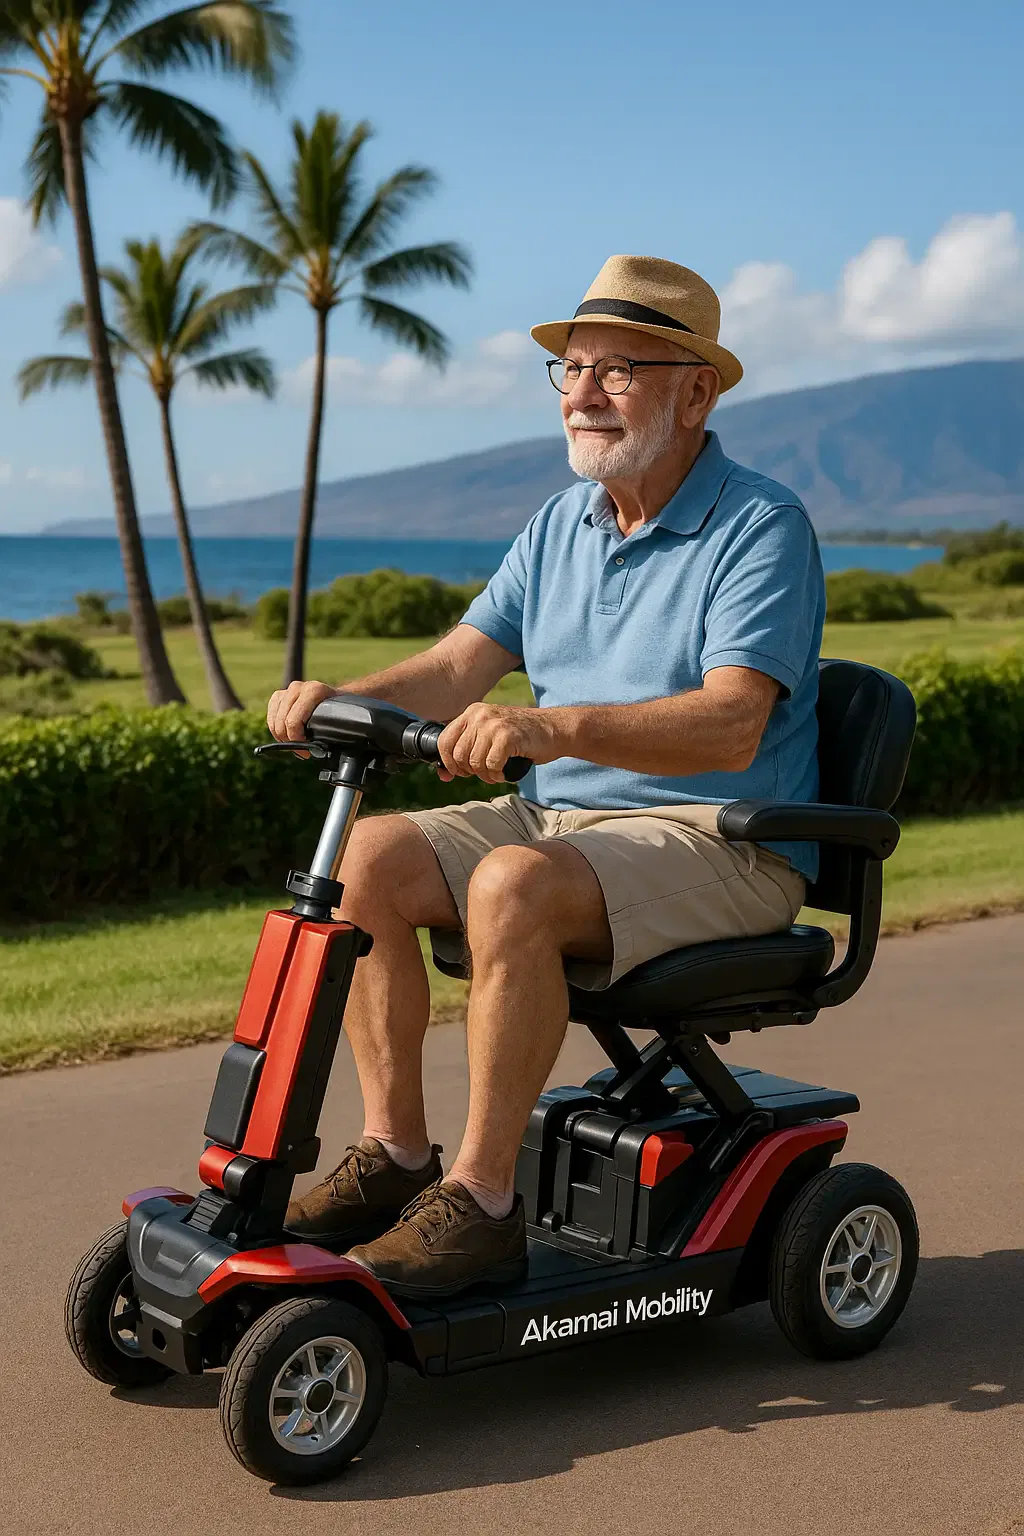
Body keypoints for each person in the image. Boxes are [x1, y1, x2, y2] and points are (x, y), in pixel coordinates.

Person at [267, 254, 825, 1298]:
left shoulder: (760, 526)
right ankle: (395, 1156)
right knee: (367, 858)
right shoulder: (558, 524)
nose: (580, 394)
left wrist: (548, 721)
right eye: (570, 370)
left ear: (696, 391)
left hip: (723, 837)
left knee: (511, 882)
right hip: (565, 818)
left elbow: (734, 721)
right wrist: (337, 698)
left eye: (616, 369)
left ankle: (480, 1205)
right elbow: (452, 667)